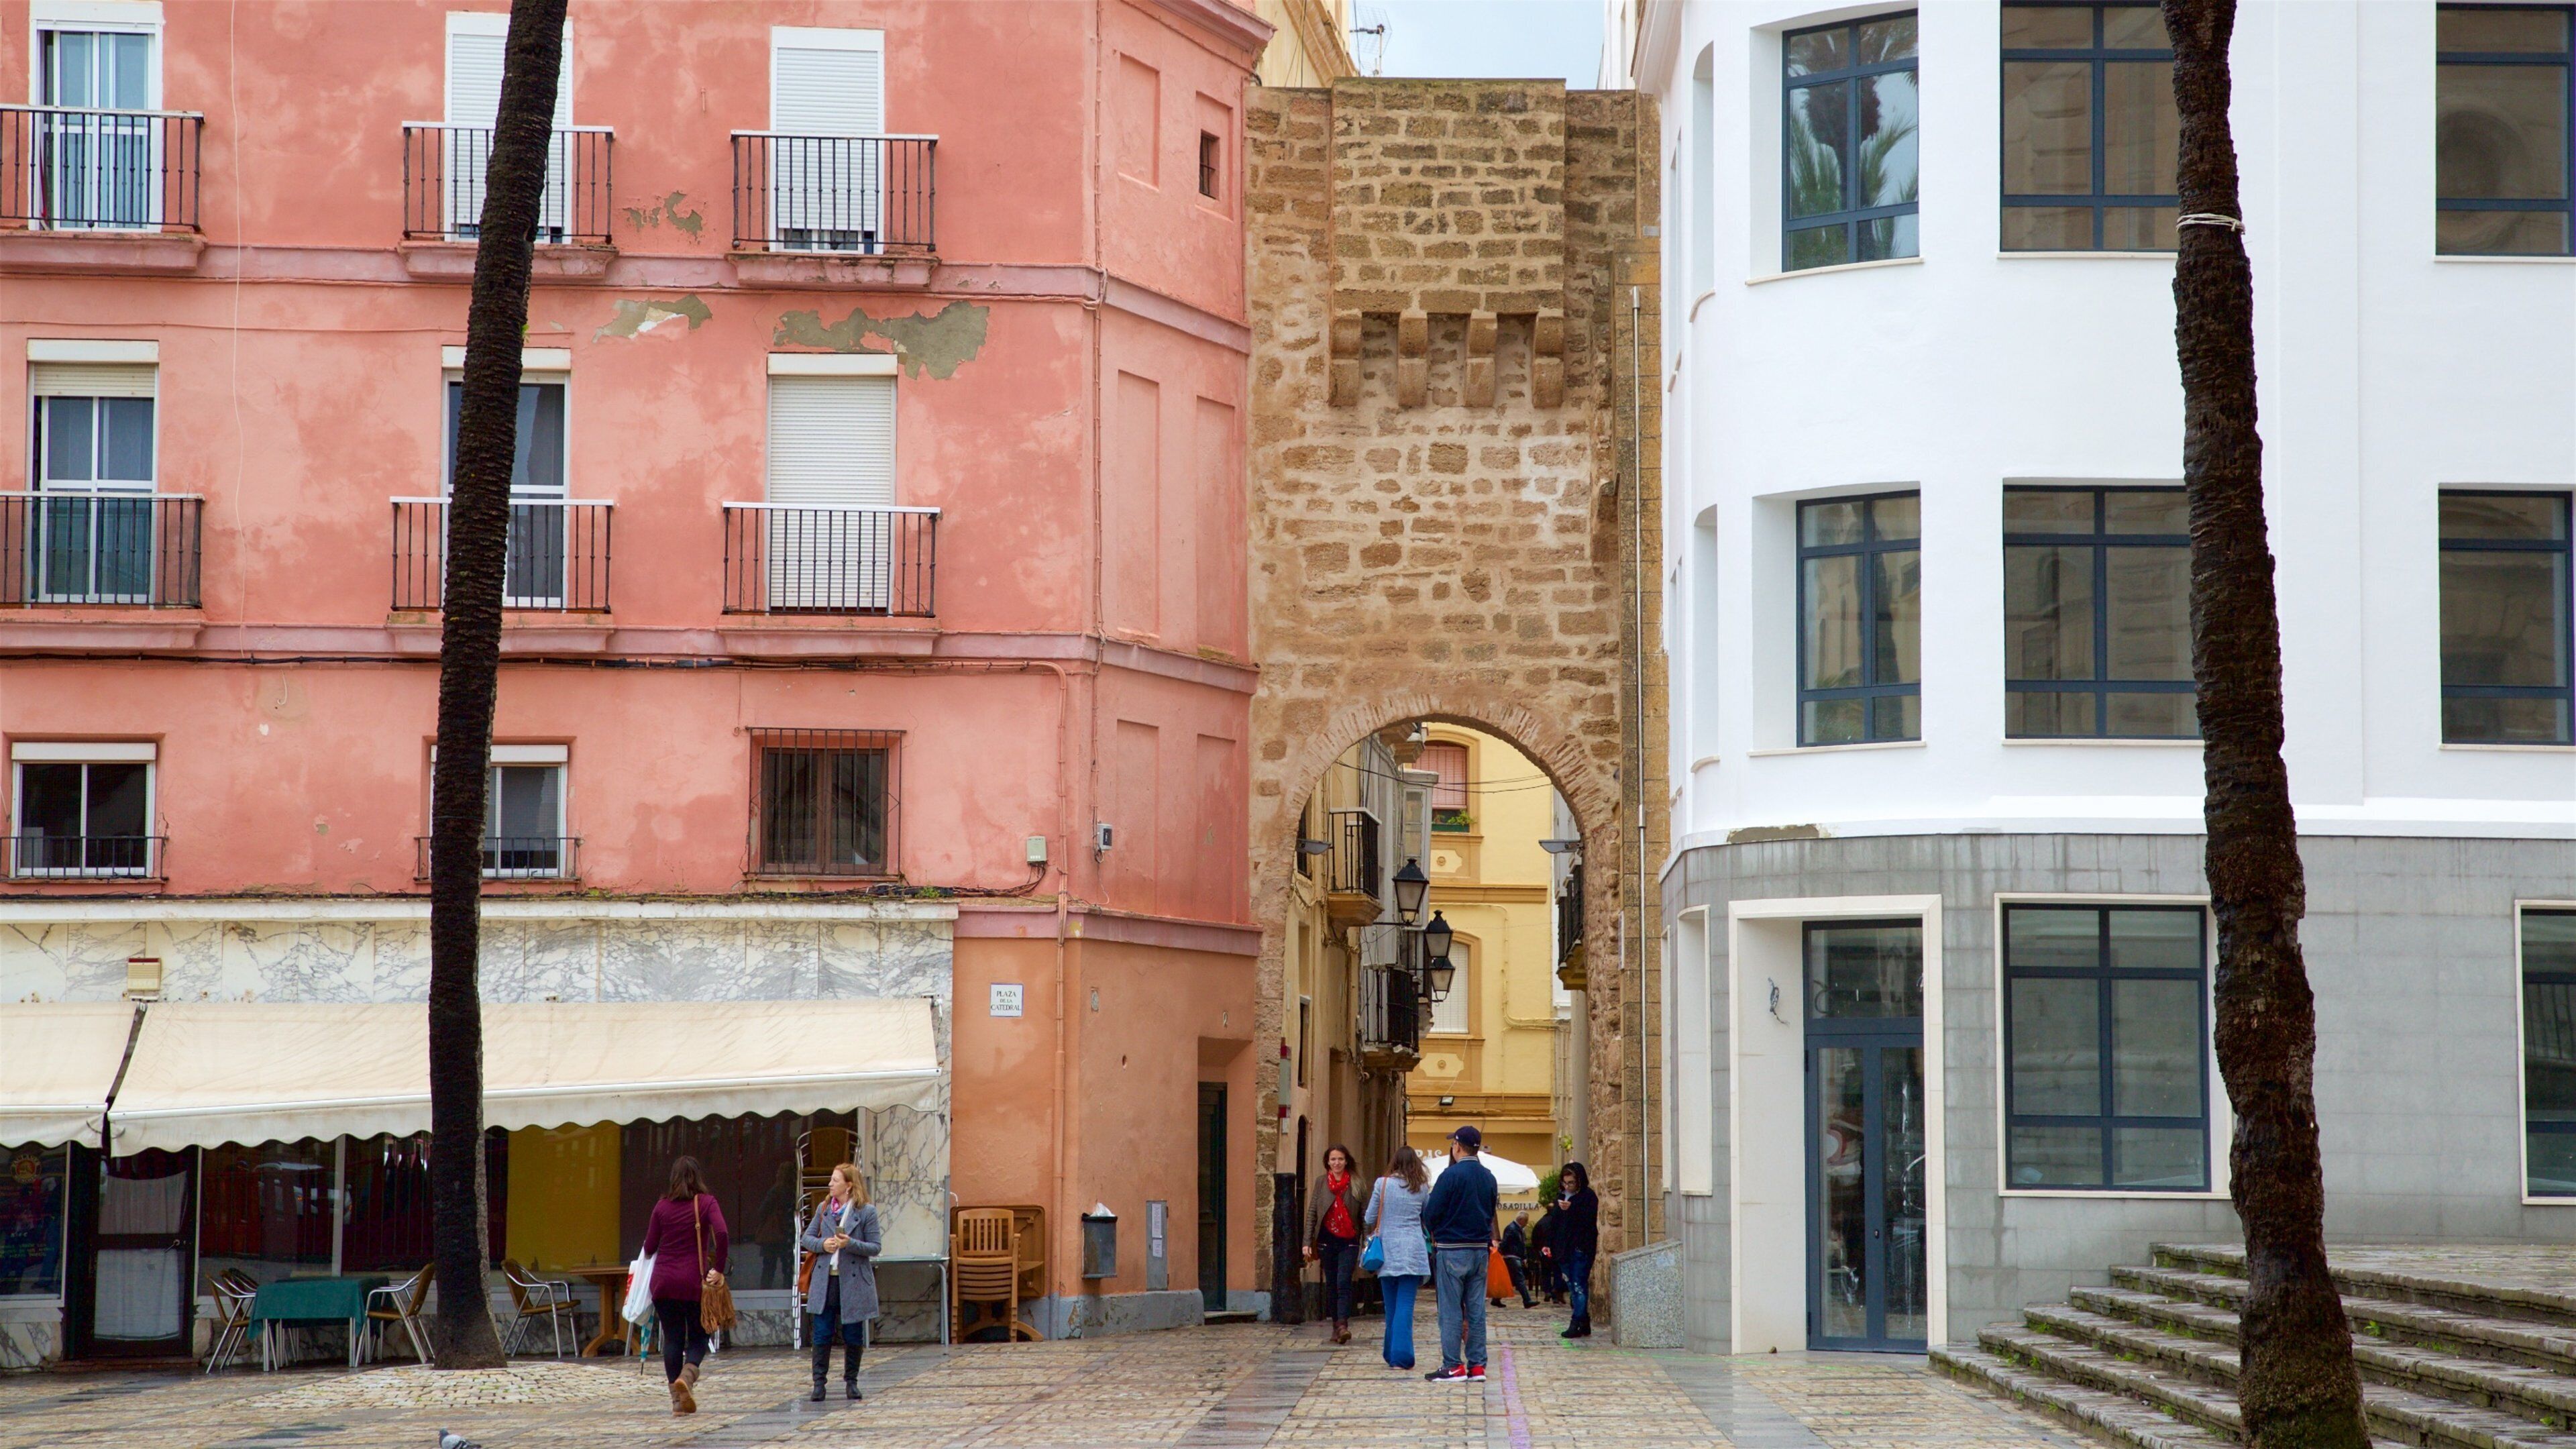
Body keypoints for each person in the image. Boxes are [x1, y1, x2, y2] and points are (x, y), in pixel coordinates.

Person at [640, 1157, 730, 1415]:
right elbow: (722, 1233)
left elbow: (649, 1247)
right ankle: (687, 1378)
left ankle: (677, 1403)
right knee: (701, 1335)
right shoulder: (706, 1202)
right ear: (698, 1177)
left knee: (673, 1338)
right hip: (693, 1282)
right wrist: (719, 1269)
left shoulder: (661, 1207)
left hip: (664, 1283)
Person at [1419, 1124, 1497, 1383]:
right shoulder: (1489, 1177)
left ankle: (1453, 1365)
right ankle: (1477, 1366)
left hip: (1452, 1249)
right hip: (1480, 1250)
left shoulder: (1449, 1176)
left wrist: (1439, 1230)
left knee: (1451, 1310)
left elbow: (1431, 1213)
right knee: (1476, 1309)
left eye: (1453, 1144)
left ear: (1458, 1146)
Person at [800, 1163, 880, 1403]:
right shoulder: (824, 1208)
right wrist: (823, 1245)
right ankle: (819, 1384)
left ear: (849, 1185)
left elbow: (875, 1247)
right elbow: (807, 1238)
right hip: (826, 1281)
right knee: (822, 1333)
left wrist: (850, 1244)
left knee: (853, 1334)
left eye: (835, 1181)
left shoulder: (866, 1212)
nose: (830, 1184)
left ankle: (851, 1382)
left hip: (853, 1282)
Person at [1363, 1144, 1431, 1370]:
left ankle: (1392, 1353)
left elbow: (1369, 1216)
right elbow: (1427, 1216)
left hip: (1387, 1251)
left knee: (1391, 1307)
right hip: (1412, 1251)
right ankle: (1400, 1355)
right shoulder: (1421, 1187)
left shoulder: (1382, 1185)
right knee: (1405, 1306)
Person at [1301, 1143, 1366, 1344]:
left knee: (1343, 1282)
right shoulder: (1321, 1183)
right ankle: (1335, 1326)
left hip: (1350, 1241)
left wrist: (1368, 1241)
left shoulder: (1356, 1183)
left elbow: (1364, 1215)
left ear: (1346, 1161)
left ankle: (1343, 1325)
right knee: (1331, 1285)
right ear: (1328, 1163)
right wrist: (1306, 1241)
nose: (1337, 1163)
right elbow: (1312, 1213)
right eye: (1333, 1160)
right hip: (1326, 1241)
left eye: (1340, 1159)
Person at [1546, 1160, 1601, 1338]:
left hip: (1580, 1248)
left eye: (1571, 1183)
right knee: (1572, 1284)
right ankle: (1584, 1322)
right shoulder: (1561, 1197)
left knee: (1578, 1286)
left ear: (1579, 1182)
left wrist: (1573, 1209)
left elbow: (1588, 1223)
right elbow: (1554, 1223)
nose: (1567, 1186)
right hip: (1564, 1249)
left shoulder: (1588, 1197)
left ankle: (1576, 1322)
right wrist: (1548, 1243)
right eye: (1565, 1182)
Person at [1499, 1213, 1534, 1309]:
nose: (1526, 1223)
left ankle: (1496, 1299)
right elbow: (1506, 1242)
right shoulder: (1512, 1229)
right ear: (1521, 1220)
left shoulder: (1518, 1229)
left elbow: (1521, 1244)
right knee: (1520, 1279)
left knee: (1511, 1280)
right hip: (1512, 1257)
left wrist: (1524, 1256)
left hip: (1515, 1256)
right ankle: (1527, 1300)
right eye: (1526, 1221)